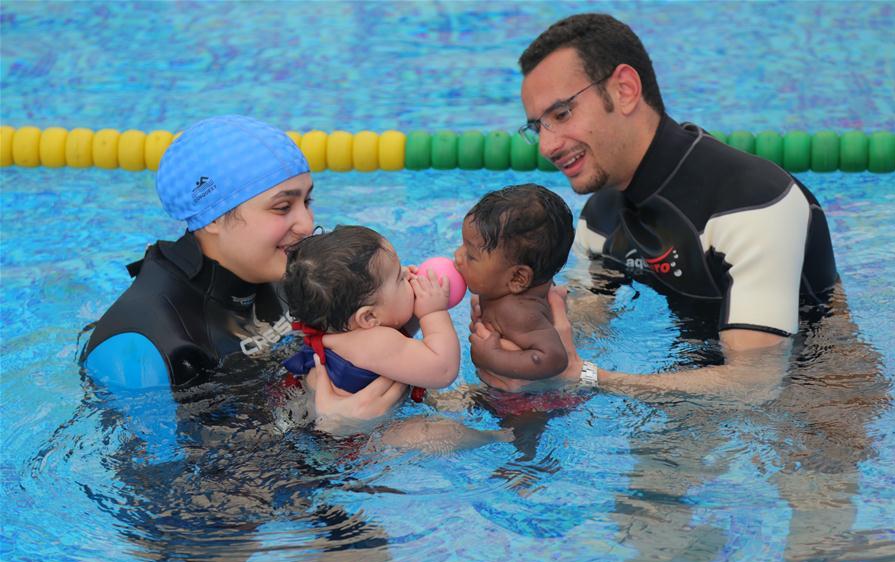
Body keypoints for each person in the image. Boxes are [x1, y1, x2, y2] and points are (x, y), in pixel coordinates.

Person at [476, 12, 838, 394]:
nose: (547, 146)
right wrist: (507, 318)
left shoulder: (754, 202)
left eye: (562, 113)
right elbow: (588, 323)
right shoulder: (601, 217)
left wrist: (585, 378)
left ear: (625, 90)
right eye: (537, 127)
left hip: (818, 395)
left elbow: (754, 383)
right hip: (688, 381)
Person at [81, 114, 403, 407]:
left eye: (307, 201)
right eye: (282, 207)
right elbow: (168, 469)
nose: (307, 224)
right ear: (213, 218)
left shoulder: (298, 273)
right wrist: (329, 432)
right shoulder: (143, 347)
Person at [281, 225, 460, 423]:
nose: (408, 273)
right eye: (399, 278)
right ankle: (494, 436)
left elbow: (400, 331)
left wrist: (417, 298)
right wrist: (433, 312)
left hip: (332, 417)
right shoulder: (375, 341)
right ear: (368, 318)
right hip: (363, 440)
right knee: (442, 431)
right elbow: (443, 370)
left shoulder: (341, 331)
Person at [454, 183, 574, 381]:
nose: (457, 256)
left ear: (518, 278)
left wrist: (492, 357)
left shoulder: (517, 313)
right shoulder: (509, 286)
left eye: (471, 256)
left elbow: (555, 358)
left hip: (525, 406)